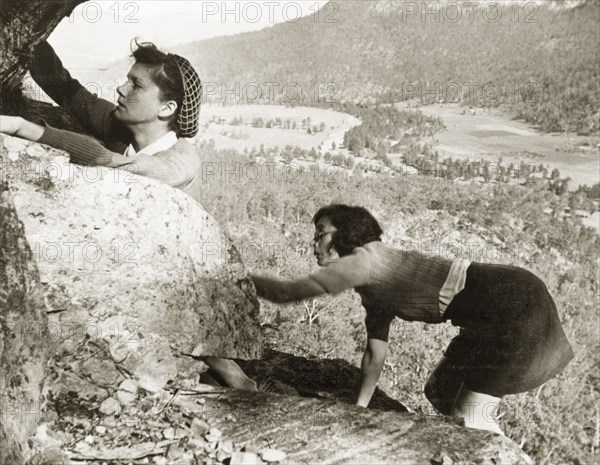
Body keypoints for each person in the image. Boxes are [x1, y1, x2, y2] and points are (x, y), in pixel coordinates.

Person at [0, 39, 256, 391]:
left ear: (166, 108)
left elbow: (119, 165)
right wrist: (21, 31)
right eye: (127, 79)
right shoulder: (120, 128)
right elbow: (67, 88)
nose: (122, 89)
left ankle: (230, 375)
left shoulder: (181, 159)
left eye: (136, 85)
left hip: (176, 286)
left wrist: (26, 129)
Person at [250, 204, 575, 434]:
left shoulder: (363, 260)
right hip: (495, 307)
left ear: (344, 235)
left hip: (510, 304)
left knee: (469, 419)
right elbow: (375, 355)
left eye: (321, 232)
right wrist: (359, 410)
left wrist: (240, 277)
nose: (315, 241)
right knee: (441, 390)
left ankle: (501, 456)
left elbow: (287, 293)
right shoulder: (373, 286)